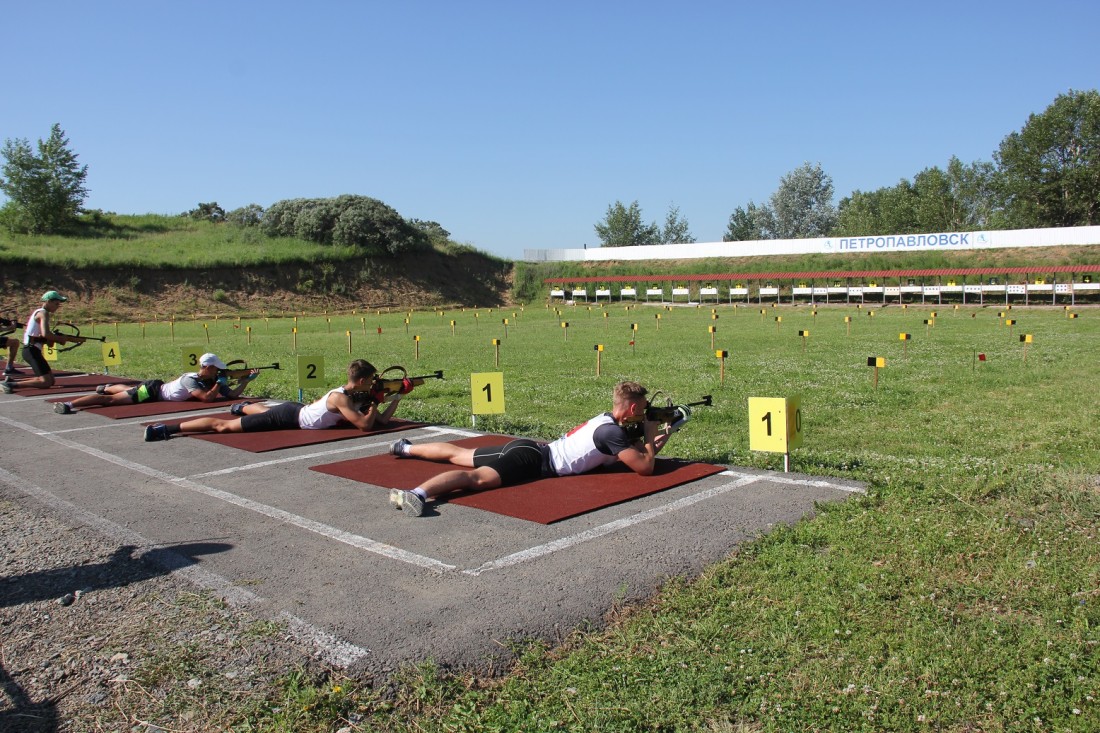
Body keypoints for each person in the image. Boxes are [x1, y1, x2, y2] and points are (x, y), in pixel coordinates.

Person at [387, 380, 684, 517]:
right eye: (643, 409)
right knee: (476, 479)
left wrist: (663, 434)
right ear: (632, 407)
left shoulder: (605, 422)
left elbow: (634, 455)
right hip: (533, 462)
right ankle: (418, 494)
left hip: (529, 448)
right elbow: (645, 467)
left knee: (459, 455)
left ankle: (405, 448)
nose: (645, 413)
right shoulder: (612, 433)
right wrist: (650, 432)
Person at [143, 359, 411, 441]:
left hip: (297, 413)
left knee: (256, 412)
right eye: (372, 381)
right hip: (288, 417)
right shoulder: (341, 397)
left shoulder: (356, 395)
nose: (374, 384)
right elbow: (366, 426)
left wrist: (396, 397)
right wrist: (376, 401)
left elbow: (383, 421)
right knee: (222, 427)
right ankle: (166, 428)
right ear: (362, 381)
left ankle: (242, 407)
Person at [52, 352, 259, 414]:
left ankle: (105, 386)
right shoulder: (191, 379)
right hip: (152, 391)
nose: (219, 371)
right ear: (206, 367)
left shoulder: (212, 379)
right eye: (216, 368)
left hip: (159, 388)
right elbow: (206, 399)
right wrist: (218, 384)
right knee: (113, 401)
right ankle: (70, 404)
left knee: (126, 390)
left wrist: (246, 382)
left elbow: (232, 396)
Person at [1, 291, 75, 394]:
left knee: (51, 381)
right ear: (48, 301)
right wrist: (60, 339)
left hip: (33, 350)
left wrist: (56, 338)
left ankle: (11, 381)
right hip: (31, 351)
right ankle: (10, 385)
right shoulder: (43, 313)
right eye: (56, 304)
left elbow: (44, 338)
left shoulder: (41, 312)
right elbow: (46, 334)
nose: (58, 307)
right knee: (46, 382)